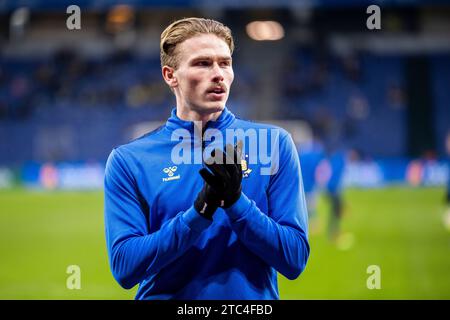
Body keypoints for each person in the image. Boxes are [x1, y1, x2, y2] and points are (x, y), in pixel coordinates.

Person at [104, 17, 310, 300]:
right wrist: (198, 214)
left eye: (225, 63)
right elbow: (125, 268)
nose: (218, 74)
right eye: (203, 63)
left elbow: (294, 259)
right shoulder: (129, 161)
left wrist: (238, 205)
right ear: (170, 75)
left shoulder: (274, 145)